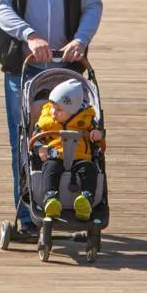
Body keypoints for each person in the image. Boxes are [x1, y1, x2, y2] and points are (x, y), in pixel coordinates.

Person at [0, 0, 104, 241]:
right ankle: (28, 214)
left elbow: (92, 5)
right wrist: (29, 35)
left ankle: (76, 204)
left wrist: (81, 40)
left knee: (76, 140)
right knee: (26, 141)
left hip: (66, 67)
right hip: (23, 68)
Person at [35, 76, 104, 221]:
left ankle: (86, 199)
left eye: (59, 110)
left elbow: (98, 136)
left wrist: (97, 134)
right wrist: (40, 147)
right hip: (55, 155)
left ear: (73, 110)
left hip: (80, 156)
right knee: (50, 168)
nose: (54, 112)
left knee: (89, 170)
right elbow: (36, 136)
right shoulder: (47, 120)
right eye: (53, 107)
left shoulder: (85, 120)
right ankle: (51, 198)